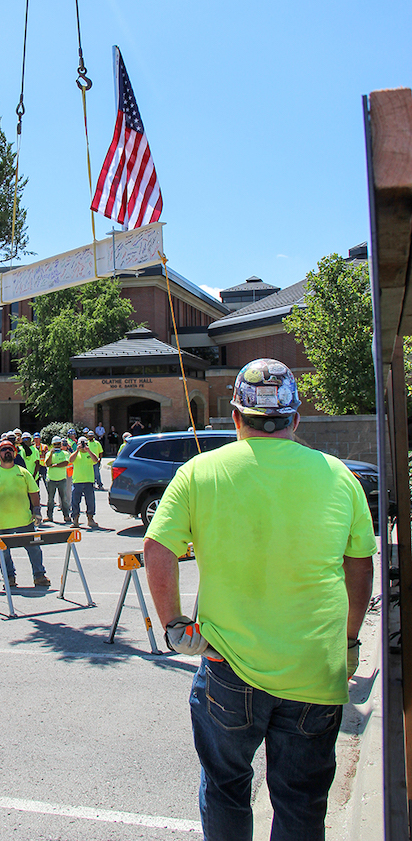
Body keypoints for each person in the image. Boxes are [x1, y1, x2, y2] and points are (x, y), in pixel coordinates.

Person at [143, 359, 376, 841]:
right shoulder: (340, 478)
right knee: (301, 800)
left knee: (227, 788)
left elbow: (157, 547)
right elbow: (360, 566)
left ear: (235, 417)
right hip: (315, 670)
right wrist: (349, 642)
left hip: (228, 667)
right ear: (294, 419)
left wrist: (175, 627)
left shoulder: (199, 472)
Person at [0, 439, 50, 588]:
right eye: (4, 450)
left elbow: (34, 492)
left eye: (10, 449)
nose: (7, 452)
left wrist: (36, 511)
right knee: (4, 554)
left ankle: (39, 575)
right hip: (1, 522)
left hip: (24, 520)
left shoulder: (23, 473)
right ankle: (9, 578)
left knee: (34, 549)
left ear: (15, 453)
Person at [69, 436, 98, 529]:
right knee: (75, 502)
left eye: (84, 444)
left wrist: (88, 450)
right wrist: (77, 451)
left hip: (89, 481)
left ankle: (90, 519)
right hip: (77, 481)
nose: (82, 446)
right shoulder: (76, 454)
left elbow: (96, 460)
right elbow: (70, 460)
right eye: (81, 444)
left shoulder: (89, 454)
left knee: (90, 501)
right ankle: (75, 520)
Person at [44, 436, 71, 523]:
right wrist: (51, 454)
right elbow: (47, 464)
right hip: (51, 479)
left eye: (58, 444)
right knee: (50, 499)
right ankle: (49, 516)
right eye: (55, 444)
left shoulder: (65, 453)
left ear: (61, 444)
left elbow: (65, 463)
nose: (56, 446)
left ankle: (66, 515)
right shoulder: (48, 454)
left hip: (62, 479)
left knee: (64, 499)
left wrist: (55, 465)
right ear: (52, 445)